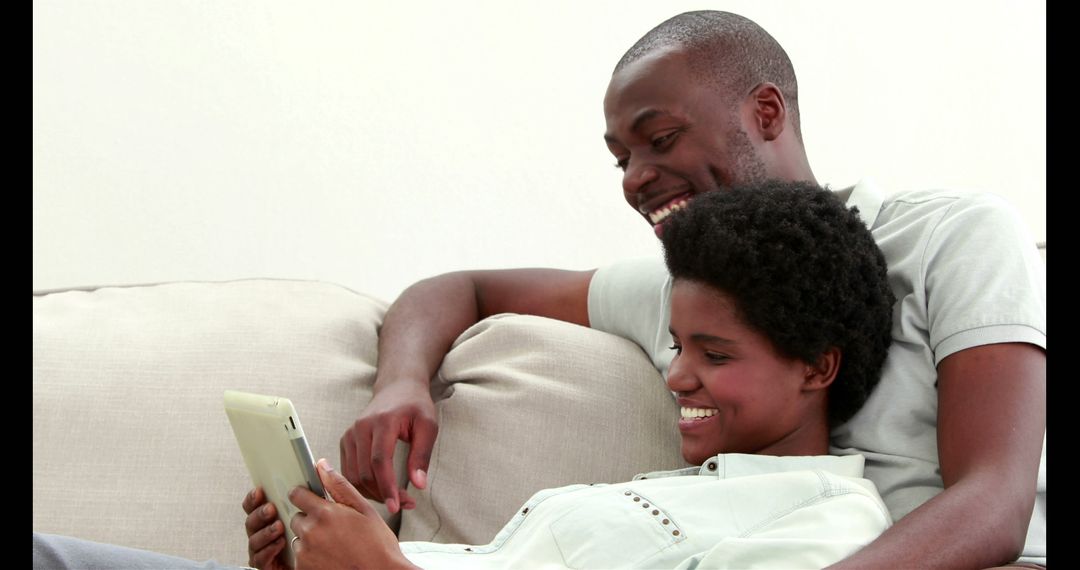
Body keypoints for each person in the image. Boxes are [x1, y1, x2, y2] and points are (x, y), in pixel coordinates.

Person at [339, 10, 1047, 569]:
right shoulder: (682, 290)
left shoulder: (951, 237)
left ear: (766, 113)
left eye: (661, 138)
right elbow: (459, 287)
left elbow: (995, 501)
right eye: (621, 158)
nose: (634, 179)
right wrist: (399, 382)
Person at [34, 181, 897, 569]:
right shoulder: (694, 487)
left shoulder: (833, 529)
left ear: (819, 367)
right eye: (677, 347)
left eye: (715, 356)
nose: (676, 377)